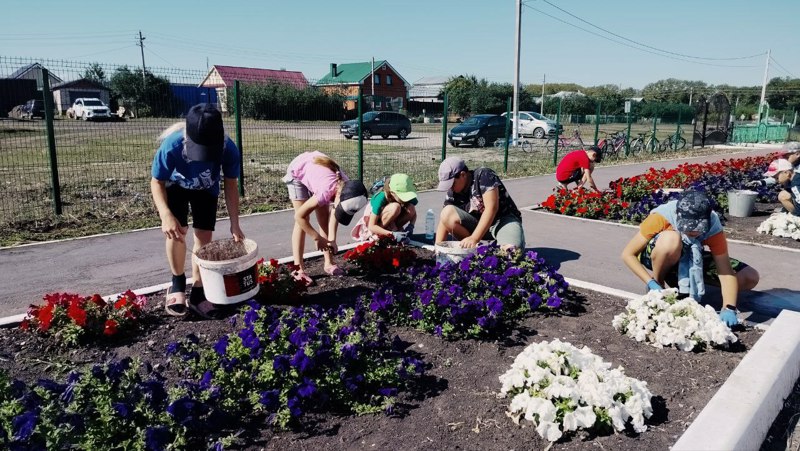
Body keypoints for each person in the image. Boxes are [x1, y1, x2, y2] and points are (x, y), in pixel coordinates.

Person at [150, 103, 244, 317]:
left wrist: (235, 224)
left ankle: (199, 291)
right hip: (176, 187)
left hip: (206, 189)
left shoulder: (228, 149)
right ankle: (177, 283)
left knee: (204, 236)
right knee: (177, 231)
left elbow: (231, 184)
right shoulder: (172, 145)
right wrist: (166, 215)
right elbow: (157, 182)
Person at [620, 190, 760, 326]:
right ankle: (660, 284)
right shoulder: (662, 216)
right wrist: (650, 282)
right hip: (659, 254)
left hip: (693, 256)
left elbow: (726, 271)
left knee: (749, 276)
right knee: (671, 239)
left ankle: (689, 282)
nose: (694, 231)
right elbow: (628, 254)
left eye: (699, 228)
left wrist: (729, 307)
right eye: (688, 227)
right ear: (678, 215)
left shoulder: (714, 226)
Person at [284, 151, 368, 285]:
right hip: (298, 170)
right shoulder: (326, 191)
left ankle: (329, 263)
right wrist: (317, 238)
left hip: (317, 173)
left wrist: (331, 240)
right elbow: (299, 216)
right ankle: (298, 270)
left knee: (324, 217)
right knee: (302, 221)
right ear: (338, 196)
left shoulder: (346, 187)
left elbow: (335, 213)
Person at [434, 156, 525, 250]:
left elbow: (492, 209)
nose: (450, 188)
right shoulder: (453, 192)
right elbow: (444, 220)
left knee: (511, 251)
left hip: (503, 221)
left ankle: (505, 242)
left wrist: (474, 238)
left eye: (452, 184)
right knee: (446, 212)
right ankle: (472, 250)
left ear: (463, 175)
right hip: (478, 223)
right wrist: (438, 248)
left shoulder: (483, 175)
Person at [351, 173, 418, 242]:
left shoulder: (406, 195)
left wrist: (411, 226)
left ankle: (395, 232)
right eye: (402, 196)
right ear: (392, 192)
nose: (405, 199)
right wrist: (392, 234)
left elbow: (413, 212)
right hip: (375, 224)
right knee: (395, 207)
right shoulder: (381, 197)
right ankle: (379, 234)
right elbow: (371, 226)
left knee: (411, 207)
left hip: (391, 221)